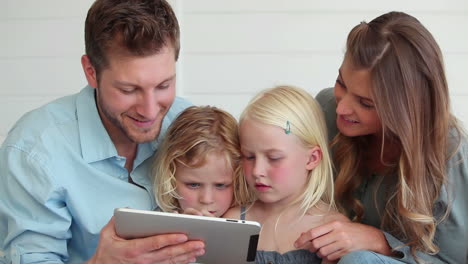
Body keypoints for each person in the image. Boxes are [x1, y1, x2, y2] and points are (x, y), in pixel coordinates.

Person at [0, 0, 207, 263]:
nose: (150, 110)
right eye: (128, 90)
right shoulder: (33, 151)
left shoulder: (189, 125)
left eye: (164, 85)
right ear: (91, 72)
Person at [295, 11, 468, 264]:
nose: (342, 108)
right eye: (341, 83)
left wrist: (380, 242)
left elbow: (452, 259)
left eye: (365, 103)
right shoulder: (324, 108)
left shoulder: (452, 152)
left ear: (407, 109)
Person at [224, 85, 348, 264]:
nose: (257, 171)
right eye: (249, 156)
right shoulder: (233, 222)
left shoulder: (333, 230)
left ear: (312, 158)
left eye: (274, 158)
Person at [152, 105, 251, 217]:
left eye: (220, 185)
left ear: (239, 181)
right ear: (170, 177)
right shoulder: (159, 224)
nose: (206, 200)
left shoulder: (252, 218)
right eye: (193, 185)